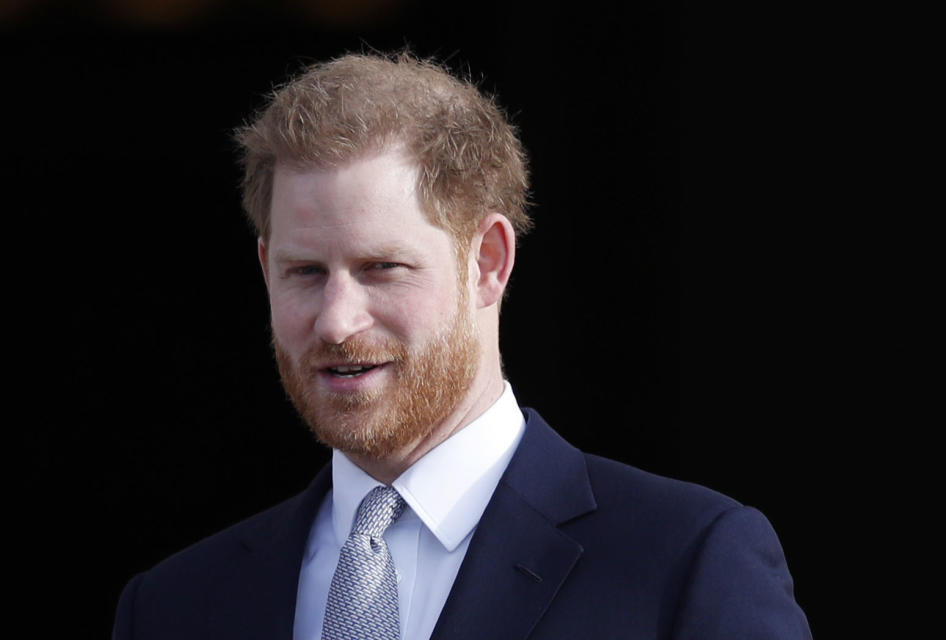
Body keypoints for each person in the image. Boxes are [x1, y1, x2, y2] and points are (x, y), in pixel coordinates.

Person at [112, 52, 812, 640]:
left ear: (488, 262)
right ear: (265, 270)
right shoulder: (175, 607)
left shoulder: (683, 564)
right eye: (305, 273)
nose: (334, 322)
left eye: (381, 267)